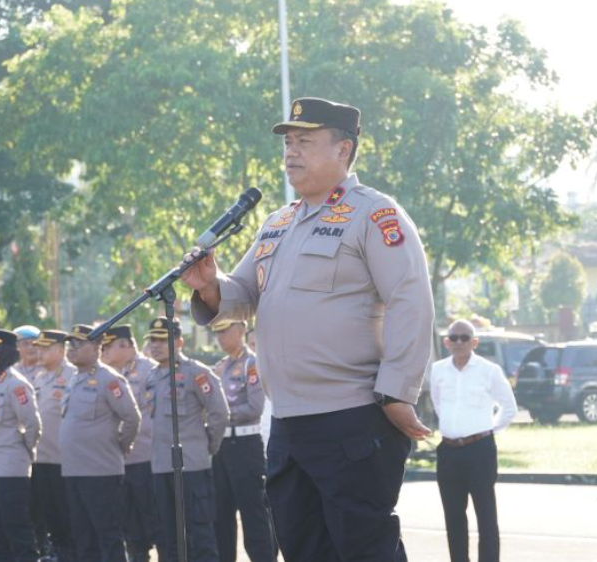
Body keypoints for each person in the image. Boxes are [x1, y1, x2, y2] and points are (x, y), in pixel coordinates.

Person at [182, 97, 435, 562]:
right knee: (302, 550)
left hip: (352, 417)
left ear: (343, 150)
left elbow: (410, 300)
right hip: (289, 424)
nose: (291, 152)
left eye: (305, 141)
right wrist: (210, 288)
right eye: (288, 142)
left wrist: (398, 392)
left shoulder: (374, 214)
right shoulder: (277, 223)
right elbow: (242, 294)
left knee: (364, 550)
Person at [430, 320, 518, 562]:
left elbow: (509, 408)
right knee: (453, 517)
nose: (459, 342)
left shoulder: (489, 370)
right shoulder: (438, 370)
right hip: (448, 451)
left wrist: (486, 431)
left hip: (480, 450)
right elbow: (439, 405)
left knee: (486, 516)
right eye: (454, 337)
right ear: (446, 342)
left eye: (464, 337)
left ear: (474, 342)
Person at [144, 317, 229, 562]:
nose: (156, 345)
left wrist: (207, 447)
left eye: (163, 339)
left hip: (192, 466)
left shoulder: (197, 372)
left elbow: (219, 413)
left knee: (200, 534)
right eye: (153, 340)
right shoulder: (151, 377)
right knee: (168, 537)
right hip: (161, 467)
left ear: (179, 341)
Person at [60, 324, 141, 562]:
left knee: (108, 536)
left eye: (78, 344)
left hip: (101, 472)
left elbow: (132, 418)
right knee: (83, 538)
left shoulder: (110, 379)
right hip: (74, 471)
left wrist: (120, 447)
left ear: (96, 347)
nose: (71, 349)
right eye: (69, 344)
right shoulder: (74, 379)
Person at [0, 328, 42, 562]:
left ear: (3, 351)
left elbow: (32, 424)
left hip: (9, 470)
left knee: (18, 532)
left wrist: (21, 452)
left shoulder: (16, 384)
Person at [208, 320, 275, 562]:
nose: (220, 337)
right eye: (216, 333)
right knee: (221, 516)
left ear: (240, 330)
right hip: (222, 447)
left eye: (224, 331)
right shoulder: (219, 368)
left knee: (253, 514)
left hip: (245, 445)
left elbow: (254, 407)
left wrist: (223, 415)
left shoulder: (251, 363)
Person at [100, 324, 165, 562]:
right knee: (130, 527)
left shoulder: (150, 370)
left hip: (147, 458)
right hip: (119, 460)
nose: (103, 351)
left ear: (126, 345)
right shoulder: (110, 374)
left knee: (156, 522)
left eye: (108, 346)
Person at [30, 329, 77, 561]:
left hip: (65, 459)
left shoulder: (73, 375)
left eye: (45, 348)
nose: (39, 352)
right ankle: (57, 550)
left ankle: (71, 551)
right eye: (38, 347)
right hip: (42, 457)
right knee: (49, 511)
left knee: (66, 510)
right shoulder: (40, 377)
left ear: (60, 350)